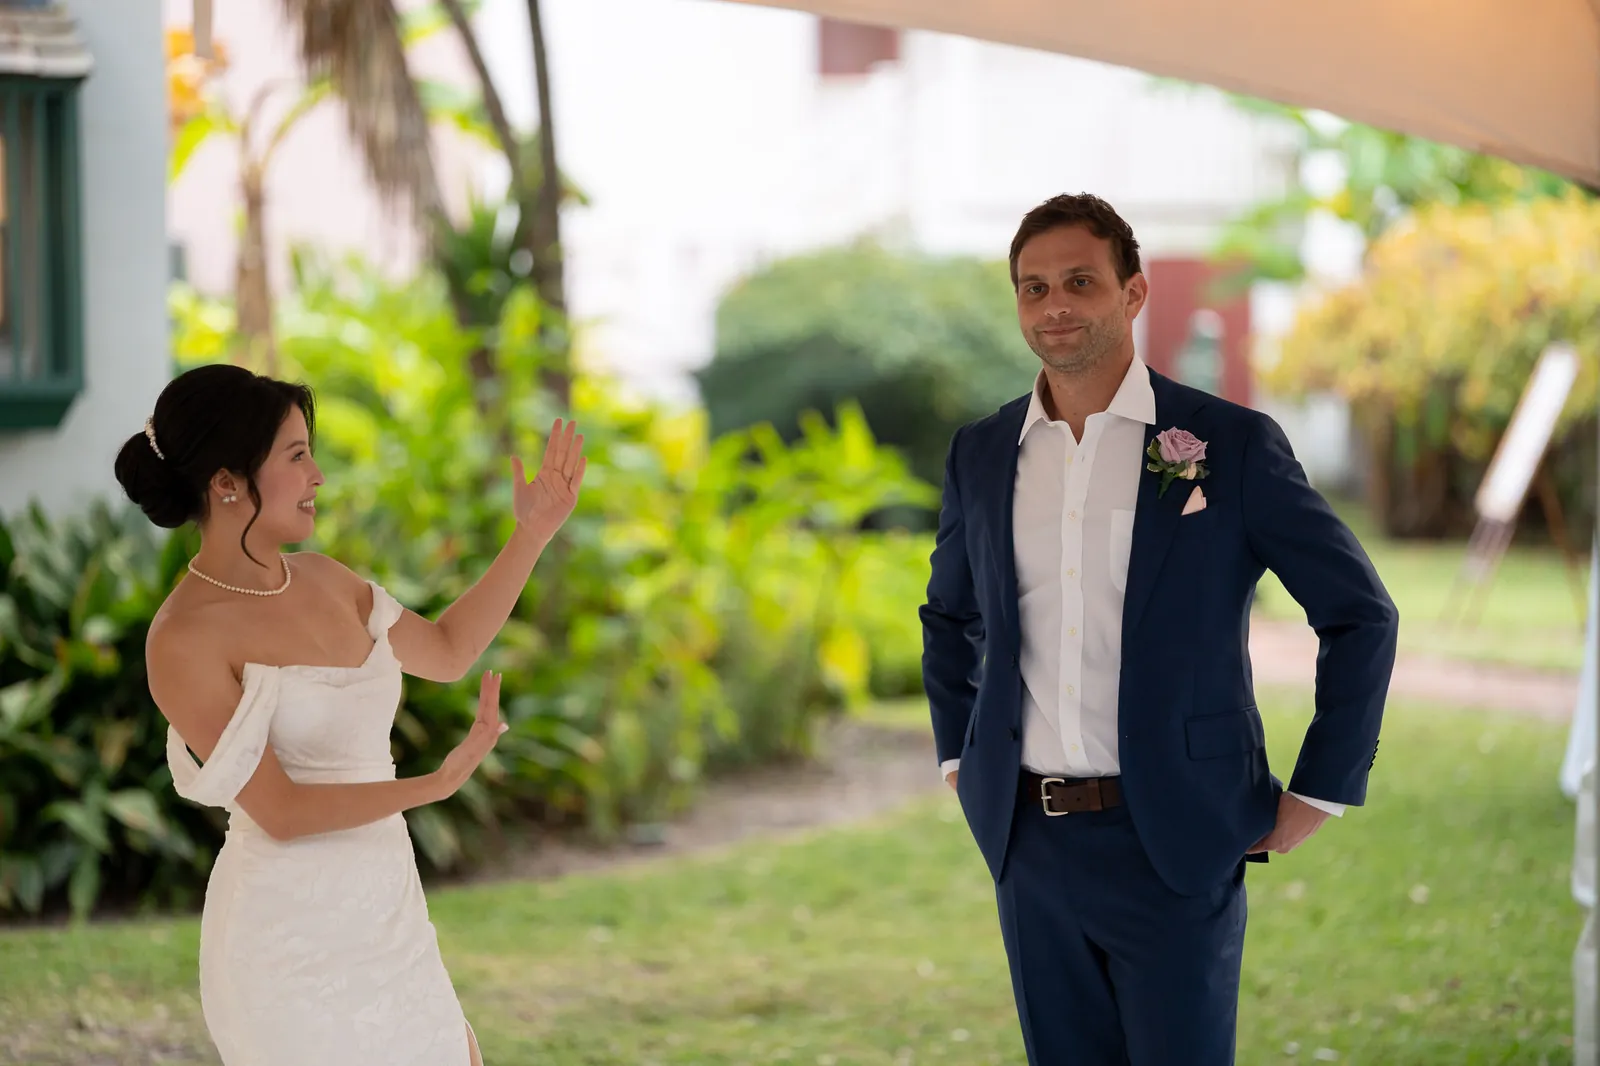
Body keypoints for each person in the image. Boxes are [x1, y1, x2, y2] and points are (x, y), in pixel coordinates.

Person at [920, 194, 1398, 1065]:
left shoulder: (1229, 445)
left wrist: (1321, 788)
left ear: (1133, 292)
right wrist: (960, 753)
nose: (1054, 305)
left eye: (1079, 281)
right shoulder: (982, 454)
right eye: (1033, 288)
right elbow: (950, 617)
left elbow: (1360, 614)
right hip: (1028, 843)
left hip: (1176, 836)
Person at [114, 363, 586, 1066]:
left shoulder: (328, 580)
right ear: (226, 483)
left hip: (389, 915)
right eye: (297, 456)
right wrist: (435, 783)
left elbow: (450, 650)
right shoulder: (182, 639)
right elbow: (281, 809)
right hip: (284, 945)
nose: (317, 477)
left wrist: (533, 534)